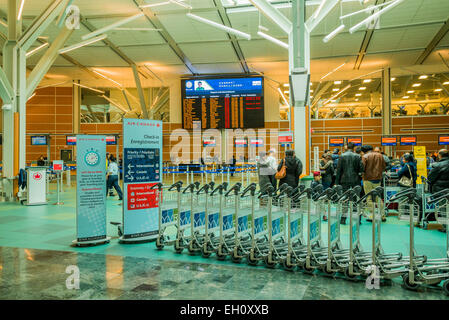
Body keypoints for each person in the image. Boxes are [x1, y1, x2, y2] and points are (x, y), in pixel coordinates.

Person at [336, 142, 364, 224]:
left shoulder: (342, 156)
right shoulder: (358, 156)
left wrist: (337, 182)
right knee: (356, 199)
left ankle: (343, 219)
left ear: (347, 147)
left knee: (345, 199)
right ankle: (357, 219)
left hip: (344, 180)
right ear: (354, 148)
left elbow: (338, 170)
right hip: (355, 180)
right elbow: (361, 169)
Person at [362, 145, 386, 221]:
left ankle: (372, 216)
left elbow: (362, 168)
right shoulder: (380, 155)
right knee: (377, 197)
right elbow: (384, 167)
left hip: (367, 179)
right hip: (378, 179)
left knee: (369, 198)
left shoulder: (365, 156)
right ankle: (383, 215)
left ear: (364, 151)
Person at [427, 149, 449, 232]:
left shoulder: (438, 165)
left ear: (440, 155)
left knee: (443, 208)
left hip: (441, 190)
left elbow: (430, 178)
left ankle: (445, 226)